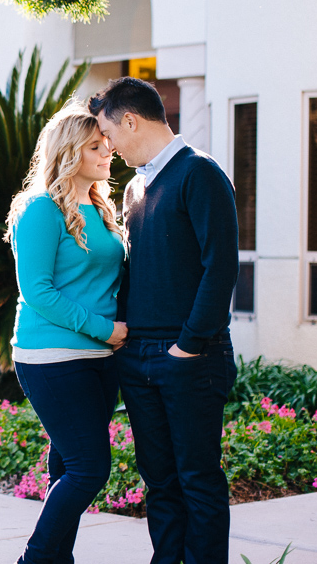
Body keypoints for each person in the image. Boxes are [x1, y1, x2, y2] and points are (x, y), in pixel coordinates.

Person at [88, 78, 239, 564]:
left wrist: (188, 346)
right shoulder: (135, 187)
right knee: (160, 483)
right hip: (140, 360)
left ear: (130, 120)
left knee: (197, 480)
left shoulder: (200, 173)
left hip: (191, 357)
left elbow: (222, 268)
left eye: (109, 132)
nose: (107, 144)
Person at [6, 102, 129, 564]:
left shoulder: (100, 206)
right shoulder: (40, 210)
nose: (107, 152)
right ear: (70, 152)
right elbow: (37, 290)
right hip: (51, 356)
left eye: (107, 144)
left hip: (100, 357)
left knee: (67, 466)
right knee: (89, 469)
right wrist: (104, 329)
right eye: (96, 146)